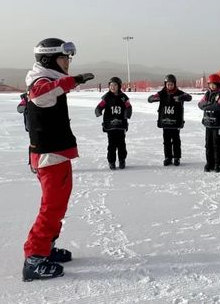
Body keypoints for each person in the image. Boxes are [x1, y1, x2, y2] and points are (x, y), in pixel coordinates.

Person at [23, 38, 94, 281]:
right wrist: (73, 81)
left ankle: (47, 248)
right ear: (50, 59)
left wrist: (66, 82)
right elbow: (40, 94)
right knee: (51, 207)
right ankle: (34, 258)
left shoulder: (46, 80)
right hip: (49, 155)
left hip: (54, 153)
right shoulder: (42, 82)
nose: (68, 63)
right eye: (64, 58)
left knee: (58, 206)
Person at [148, 74, 192, 166]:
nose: (169, 86)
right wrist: (153, 98)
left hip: (175, 122)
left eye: (171, 84)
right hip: (165, 121)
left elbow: (189, 97)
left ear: (174, 84)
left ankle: (176, 157)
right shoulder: (162, 93)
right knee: (166, 141)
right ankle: (168, 157)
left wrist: (181, 98)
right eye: (168, 84)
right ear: (165, 84)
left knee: (176, 141)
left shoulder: (179, 92)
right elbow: (150, 98)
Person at [95, 77, 132, 169]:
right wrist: (98, 111)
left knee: (121, 144)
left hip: (120, 125)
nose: (113, 87)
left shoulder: (123, 97)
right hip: (110, 125)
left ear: (119, 86)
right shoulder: (107, 97)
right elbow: (100, 106)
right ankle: (111, 161)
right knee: (111, 144)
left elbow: (128, 106)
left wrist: (128, 113)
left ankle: (122, 160)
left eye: (115, 85)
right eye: (111, 85)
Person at [198, 74, 220, 172]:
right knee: (208, 144)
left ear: (218, 84)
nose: (211, 86)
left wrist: (207, 105)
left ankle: (217, 163)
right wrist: (208, 105)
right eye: (210, 84)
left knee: (216, 143)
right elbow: (200, 104)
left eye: (213, 84)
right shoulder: (207, 94)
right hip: (208, 123)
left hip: (218, 124)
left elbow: (219, 105)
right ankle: (209, 162)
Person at [17, 92, 35, 172]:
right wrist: (27, 102)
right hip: (32, 126)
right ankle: (33, 164)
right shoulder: (27, 97)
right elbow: (20, 109)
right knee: (34, 145)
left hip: (40, 125)